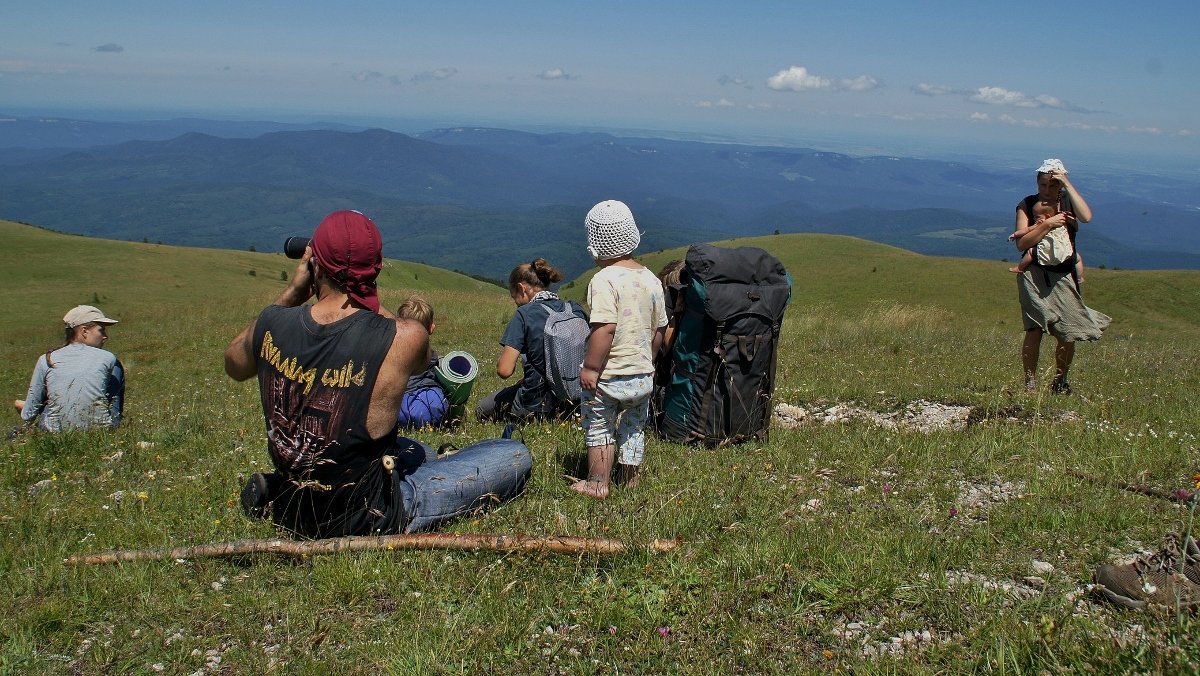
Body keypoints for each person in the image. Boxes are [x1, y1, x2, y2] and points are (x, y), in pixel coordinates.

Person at [225, 210, 531, 537]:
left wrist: (293, 292)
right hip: (369, 514)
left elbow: (235, 363)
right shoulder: (404, 338)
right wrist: (366, 295)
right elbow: (423, 359)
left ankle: (279, 491)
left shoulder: (272, 322)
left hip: (300, 501)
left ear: (315, 267)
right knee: (513, 456)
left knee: (420, 452)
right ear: (375, 270)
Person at [570, 200, 667, 499]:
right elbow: (660, 328)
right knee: (634, 427)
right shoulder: (651, 279)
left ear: (595, 244)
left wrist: (590, 367)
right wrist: (649, 360)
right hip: (642, 374)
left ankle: (598, 483)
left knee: (599, 425)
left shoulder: (603, 280)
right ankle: (631, 480)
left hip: (609, 375)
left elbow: (605, 328)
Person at [1013, 159, 1110, 394]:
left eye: (1053, 185)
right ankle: (1030, 384)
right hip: (1034, 274)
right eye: (1043, 185)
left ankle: (1060, 380)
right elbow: (1022, 244)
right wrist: (1047, 225)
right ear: (1037, 183)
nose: (1047, 190)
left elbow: (1086, 217)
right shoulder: (1027, 204)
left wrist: (1066, 182)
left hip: (1064, 275)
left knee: (1068, 331)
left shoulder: (1067, 201)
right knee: (1034, 330)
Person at [476, 258, 588, 422]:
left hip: (536, 406)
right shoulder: (575, 309)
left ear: (521, 289)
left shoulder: (525, 314)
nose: (515, 302)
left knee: (482, 409)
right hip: (578, 402)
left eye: (514, 296)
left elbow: (504, 371)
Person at [14, 305, 125, 432]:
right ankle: (113, 423)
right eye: (101, 330)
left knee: (48, 397)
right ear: (84, 331)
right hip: (99, 431)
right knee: (116, 367)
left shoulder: (46, 359)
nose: (105, 336)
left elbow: (28, 415)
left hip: (55, 432)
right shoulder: (109, 358)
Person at [394, 295, 452, 428]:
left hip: (396, 409)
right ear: (431, 328)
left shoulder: (390, 356)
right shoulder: (435, 359)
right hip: (429, 410)